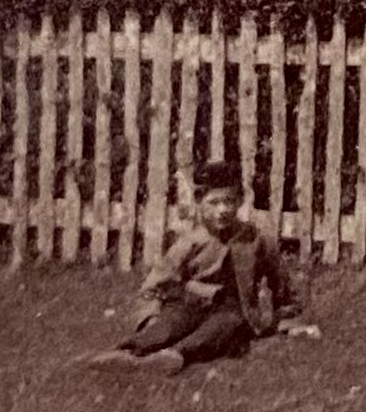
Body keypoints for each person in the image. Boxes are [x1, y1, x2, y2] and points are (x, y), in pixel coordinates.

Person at [92, 154, 301, 371]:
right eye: (214, 203)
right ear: (199, 202)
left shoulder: (257, 240)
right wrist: (150, 319)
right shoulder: (190, 243)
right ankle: (128, 351)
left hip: (233, 313)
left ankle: (174, 355)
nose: (222, 210)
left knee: (225, 326)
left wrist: (283, 319)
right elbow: (153, 287)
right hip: (189, 306)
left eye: (229, 201)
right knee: (171, 324)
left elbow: (283, 290)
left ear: (240, 201)